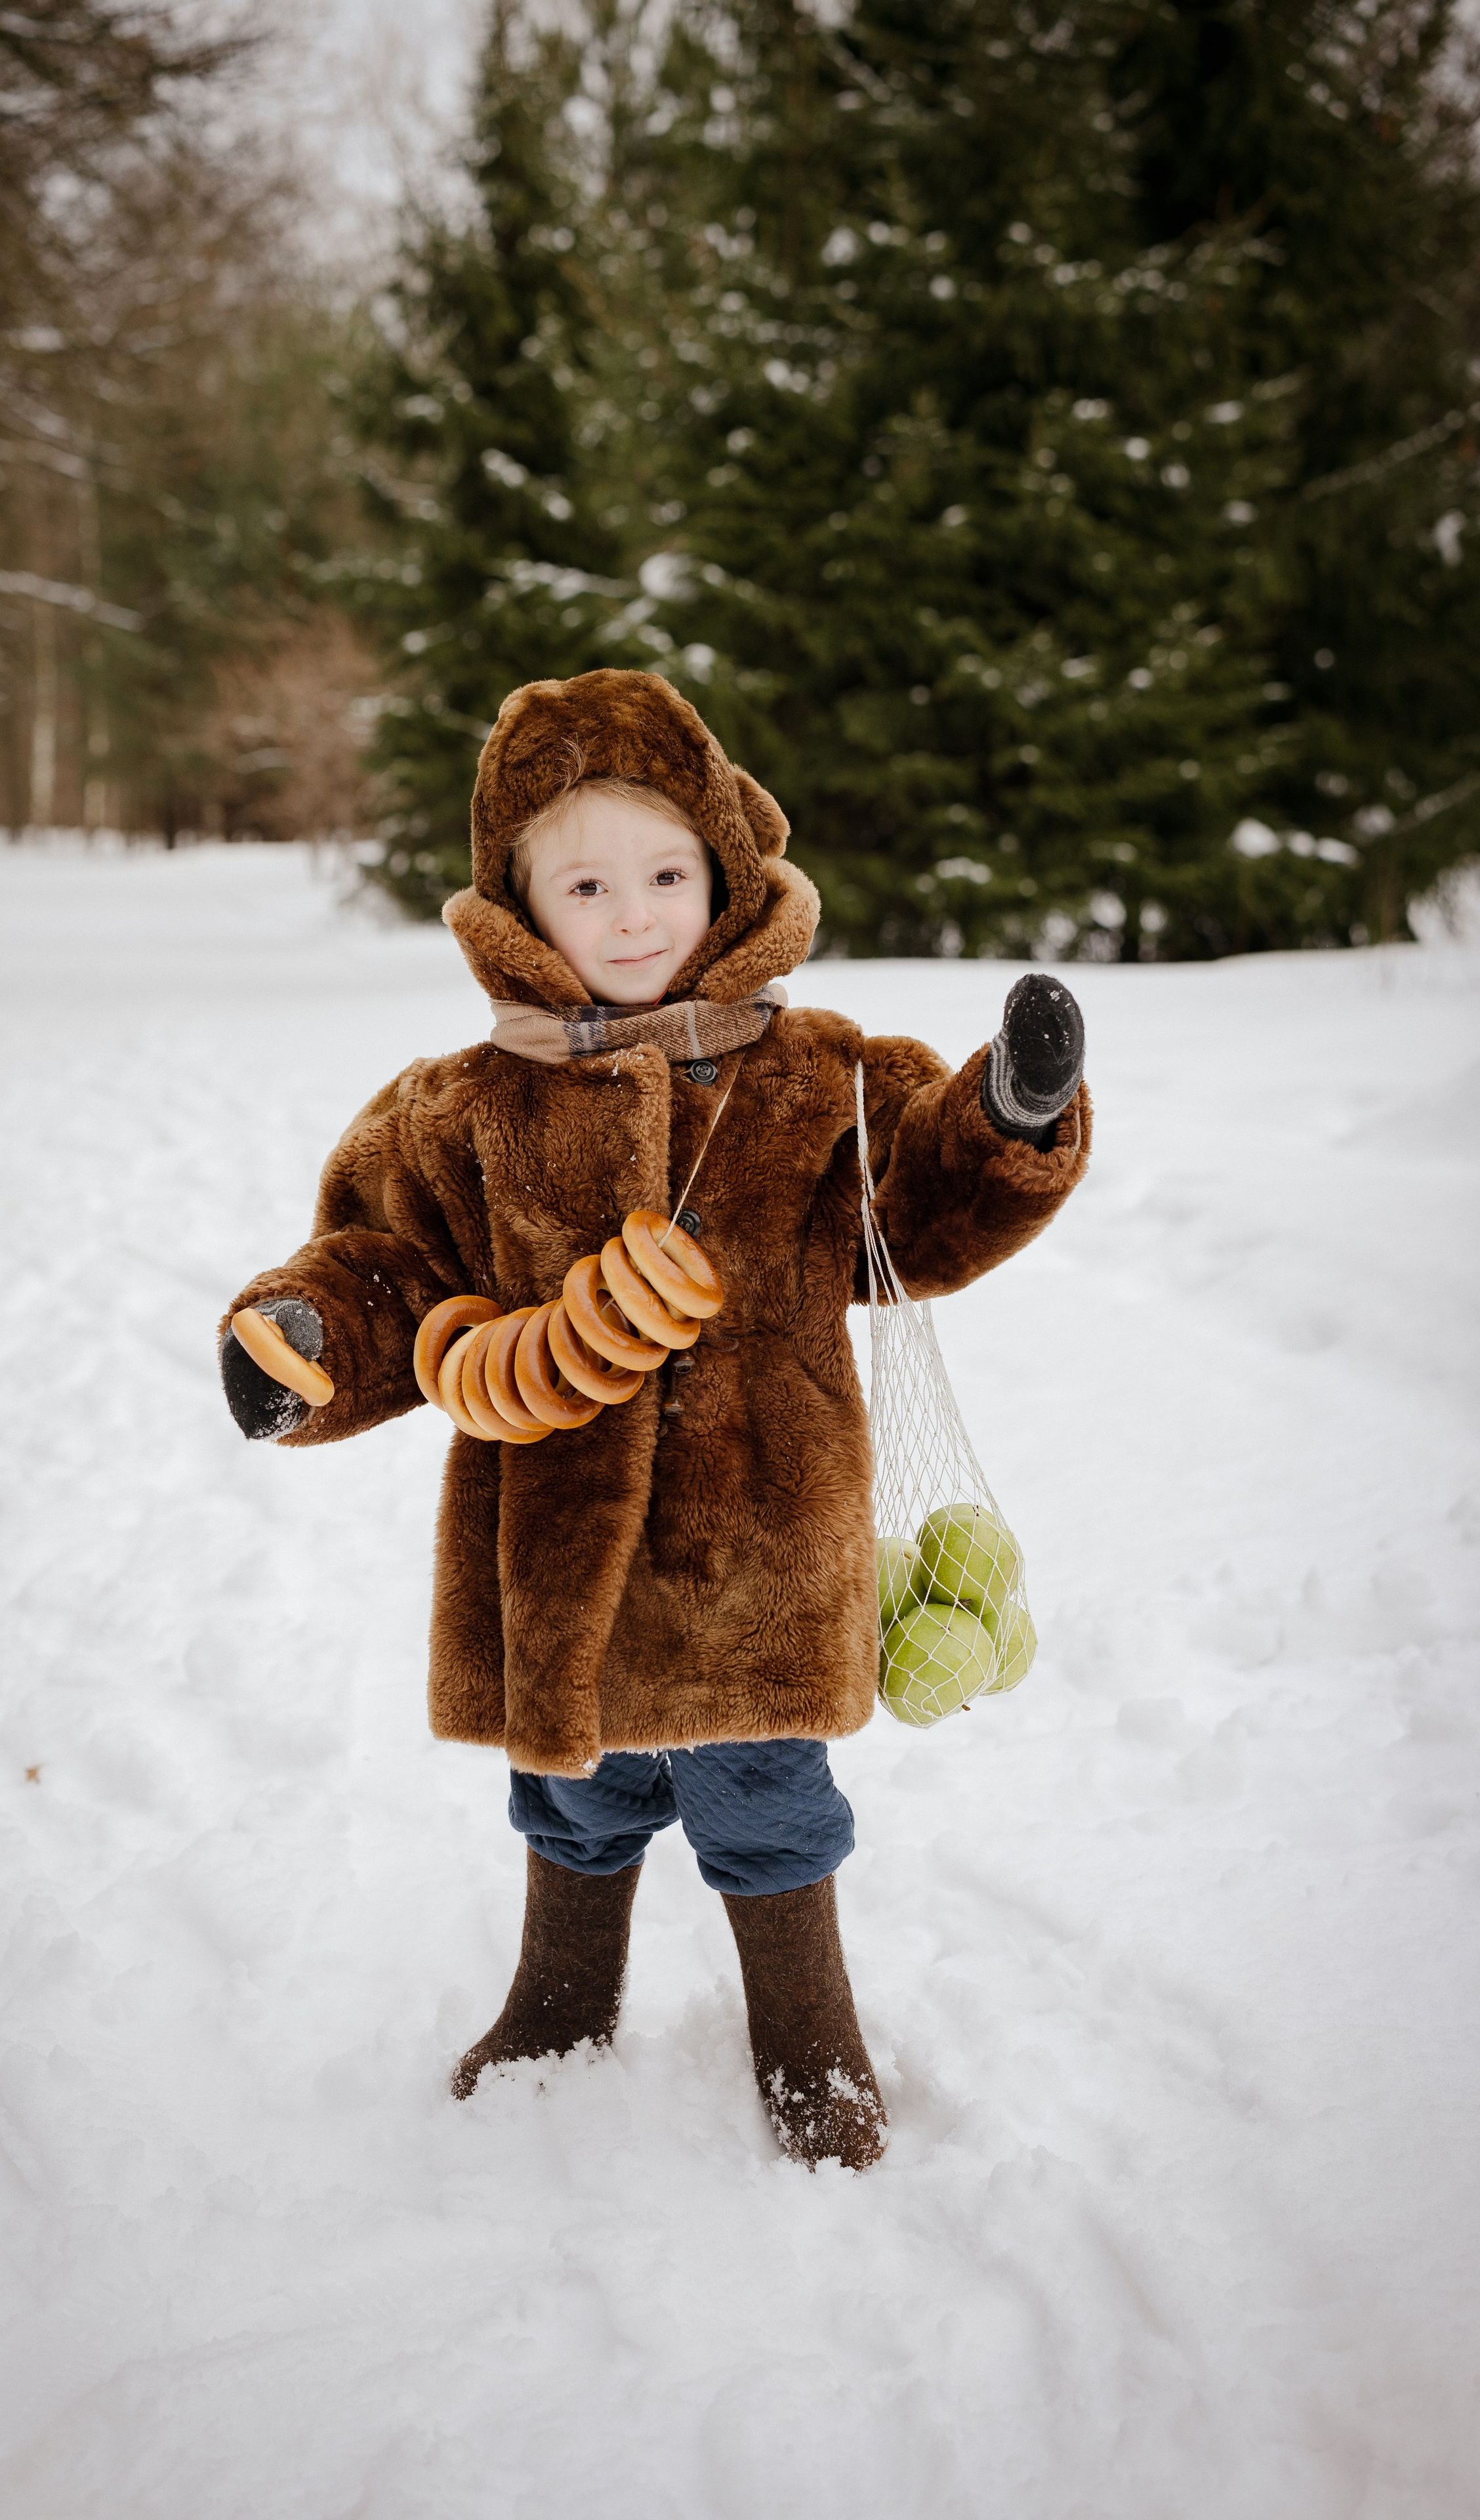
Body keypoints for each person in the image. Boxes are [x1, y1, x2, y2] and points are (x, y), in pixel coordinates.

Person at [219, 669, 1090, 2170]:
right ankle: (560, 2002)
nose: (632, 917)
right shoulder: (463, 1108)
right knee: (571, 1800)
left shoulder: (814, 1077)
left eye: (665, 877)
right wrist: (304, 1342)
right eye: (586, 887)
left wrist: (1004, 1120)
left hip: (758, 1553)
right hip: (556, 1564)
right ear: (522, 909)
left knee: (766, 1807)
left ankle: (809, 2045)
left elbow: (916, 1207)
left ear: (724, 873)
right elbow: (381, 1265)